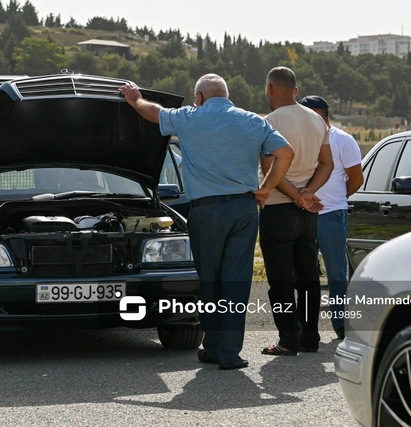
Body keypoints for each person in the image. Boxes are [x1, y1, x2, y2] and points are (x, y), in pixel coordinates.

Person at [119, 74, 294, 370]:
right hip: (244, 208)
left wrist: (134, 98)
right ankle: (227, 353)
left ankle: (213, 346)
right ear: (226, 95)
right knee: (236, 282)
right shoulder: (252, 120)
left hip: (207, 210)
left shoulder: (190, 118)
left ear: (199, 97)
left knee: (210, 282)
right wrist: (267, 187)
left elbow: (154, 113)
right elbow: (285, 152)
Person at [259, 67, 334, 356]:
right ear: (296, 91)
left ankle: (287, 339)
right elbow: (327, 164)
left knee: (280, 281)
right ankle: (311, 337)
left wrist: (295, 196)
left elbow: (270, 171)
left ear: (270, 89)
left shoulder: (271, 121)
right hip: (308, 213)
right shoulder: (317, 119)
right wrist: (308, 193)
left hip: (279, 209)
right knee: (308, 277)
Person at [298, 95, 364, 340]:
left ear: (320, 115)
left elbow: (356, 178)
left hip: (331, 214)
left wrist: (338, 197)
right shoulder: (298, 139)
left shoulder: (343, 140)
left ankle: (341, 323)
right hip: (302, 214)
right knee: (303, 274)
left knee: (336, 273)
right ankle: (304, 325)